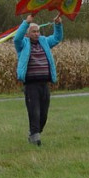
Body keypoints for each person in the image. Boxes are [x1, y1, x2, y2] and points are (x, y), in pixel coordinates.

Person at [13, 14, 63, 146]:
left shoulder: (44, 41)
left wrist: (58, 25)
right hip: (31, 85)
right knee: (34, 112)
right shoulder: (22, 44)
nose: (36, 34)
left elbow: (57, 38)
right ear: (27, 34)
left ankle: (35, 132)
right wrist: (26, 22)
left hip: (44, 84)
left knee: (43, 114)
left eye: (37, 31)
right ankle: (35, 138)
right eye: (33, 32)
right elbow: (16, 38)